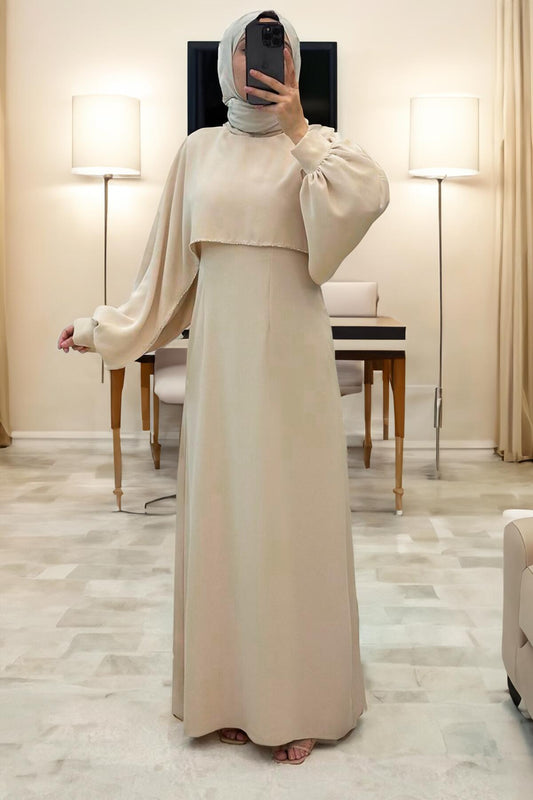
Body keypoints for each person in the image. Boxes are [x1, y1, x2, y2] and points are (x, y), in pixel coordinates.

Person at [57, 9, 389, 765]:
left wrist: (300, 130)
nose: (261, 57)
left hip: (294, 364)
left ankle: (301, 701)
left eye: (276, 45)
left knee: (292, 526)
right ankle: (231, 695)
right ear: (225, 61)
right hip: (221, 364)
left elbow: (364, 199)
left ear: (294, 61)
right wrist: (100, 328)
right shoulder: (198, 151)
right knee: (228, 523)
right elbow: (165, 273)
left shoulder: (323, 149)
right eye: (248, 45)